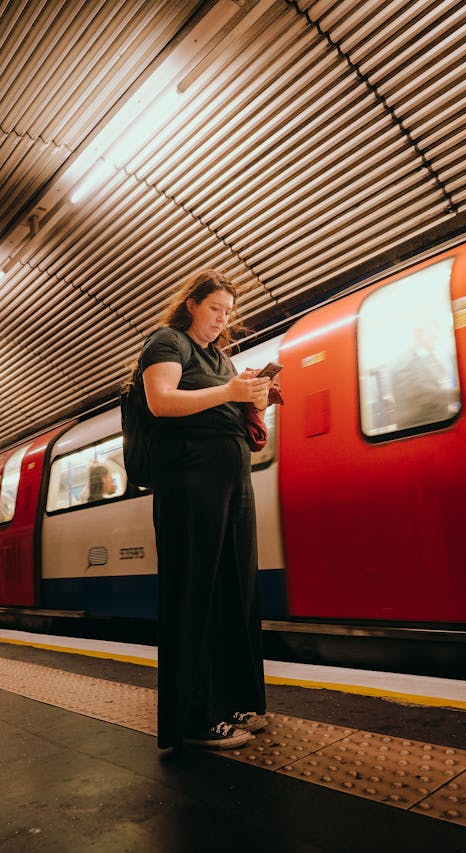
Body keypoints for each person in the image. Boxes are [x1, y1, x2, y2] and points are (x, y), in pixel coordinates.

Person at [139, 269, 272, 750]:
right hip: (190, 483)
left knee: (234, 591)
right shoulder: (167, 342)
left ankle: (232, 700)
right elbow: (161, 402)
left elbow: (225, 406)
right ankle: (193, 718)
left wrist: (253, 402)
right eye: (215, 308)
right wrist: (230, 393)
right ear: (192, 303)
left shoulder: (220, 358)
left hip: (231, 484)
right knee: (196, 593)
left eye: (228, 312)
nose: (222, 319)